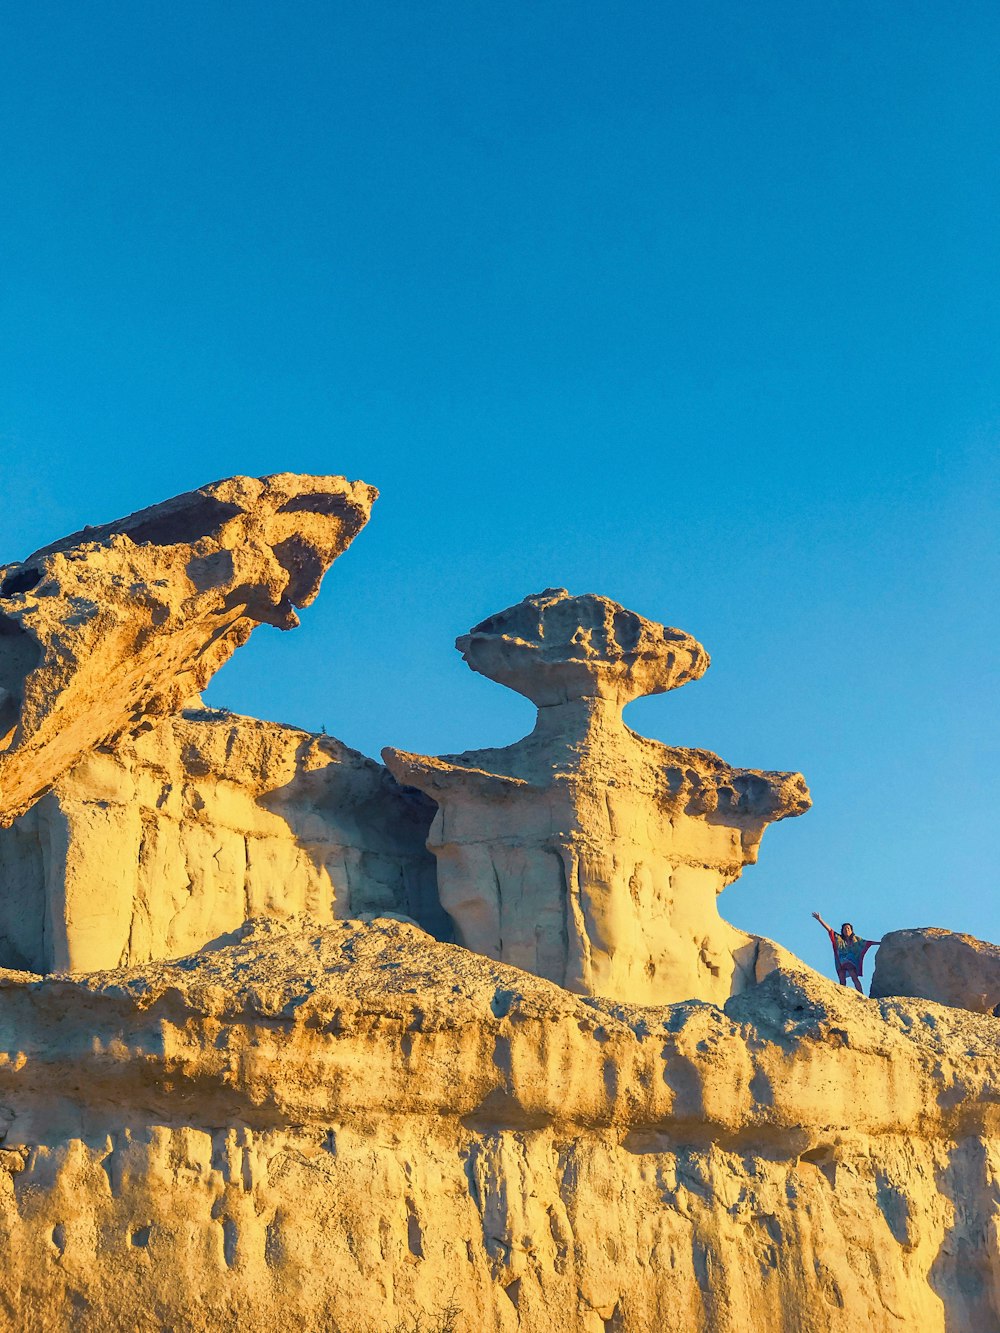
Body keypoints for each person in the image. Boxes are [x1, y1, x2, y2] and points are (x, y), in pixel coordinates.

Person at [812, 912, 881, 993]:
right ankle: (842, 995)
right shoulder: (839, 938)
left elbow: (867, 943)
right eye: (845, 929)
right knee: (842, 978)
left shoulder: (856, 939)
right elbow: (829, 930)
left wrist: (880, 943)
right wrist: (820, 919)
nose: (846, 930)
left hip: (851, 961)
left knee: (853, 975)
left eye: (848, 928)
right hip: (840, 962)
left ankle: (861, 993)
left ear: (851, 930)